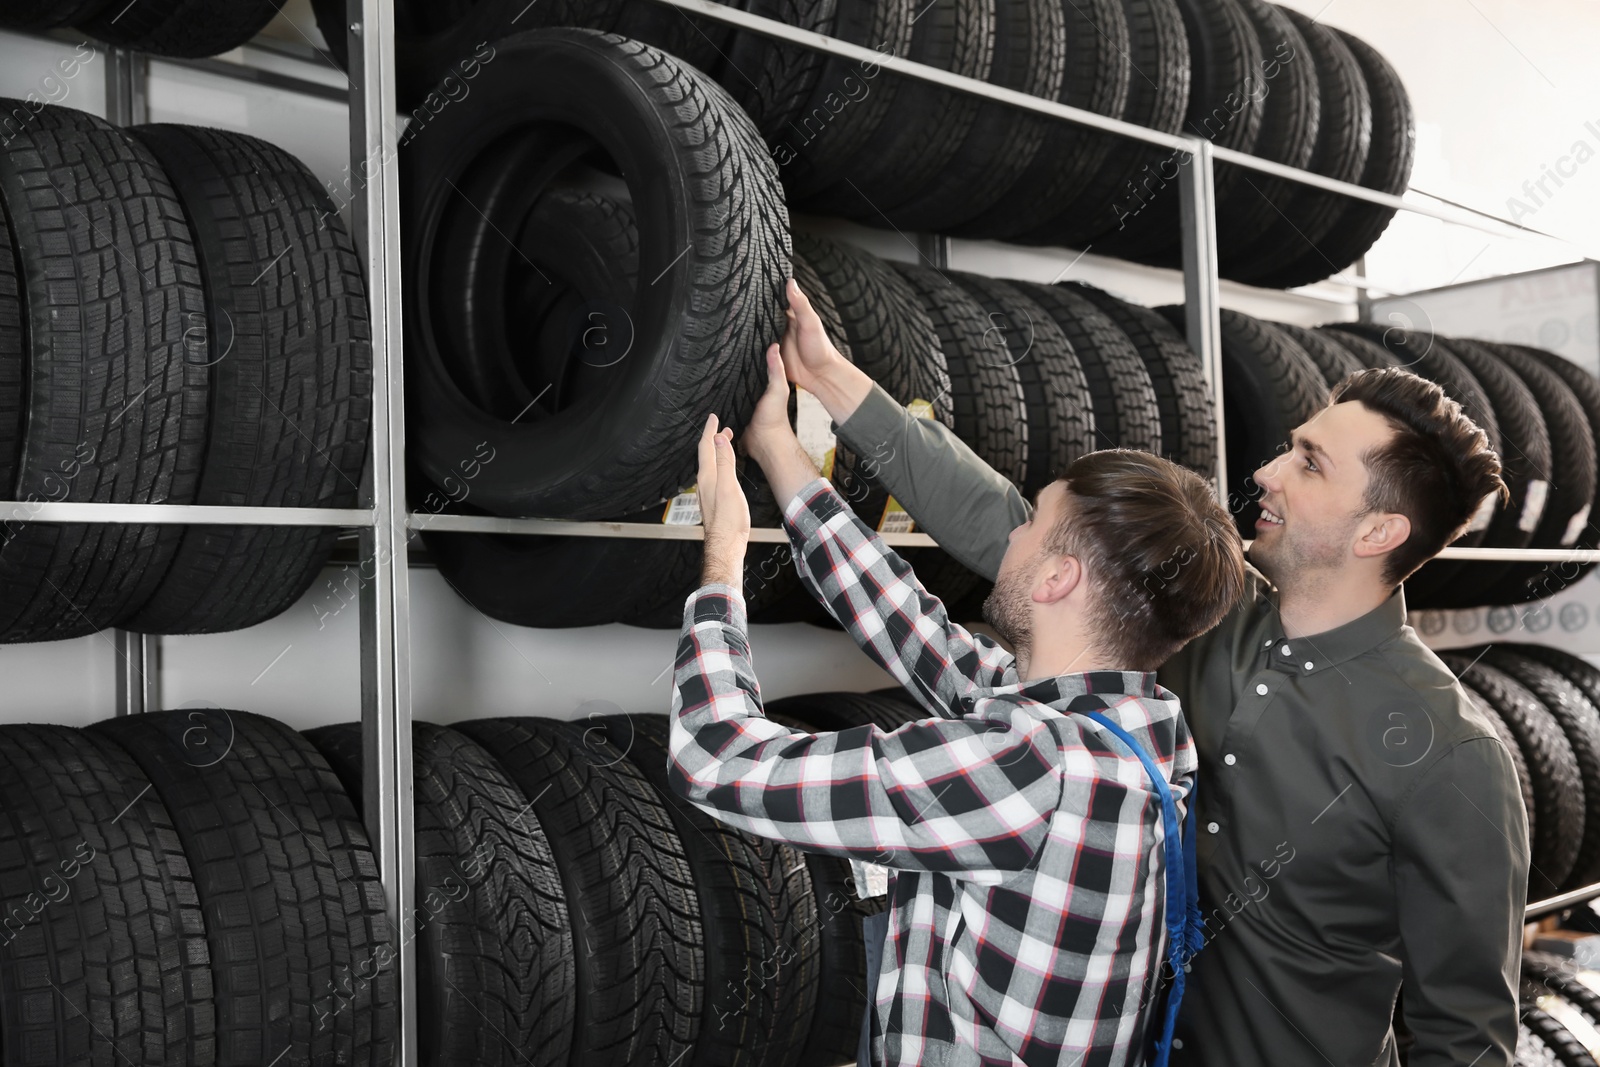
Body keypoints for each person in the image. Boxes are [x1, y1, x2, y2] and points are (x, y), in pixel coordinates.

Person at [771, 274, 1529, 1066]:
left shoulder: (1451, 755)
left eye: (1308, 464)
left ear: (1378, 530)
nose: (1268, 471)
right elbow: (1009, 523)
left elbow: (1467, 1039)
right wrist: (828, 376)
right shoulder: (1198, 618)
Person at [667, 334, 1248, 1066]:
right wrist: (779, 449)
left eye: (1031, 521)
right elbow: (917, 632)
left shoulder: (1030, 765)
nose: (1011, 538)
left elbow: (716, 759)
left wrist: (721, 557)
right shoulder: (1140, 731)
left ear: (1056, 580)